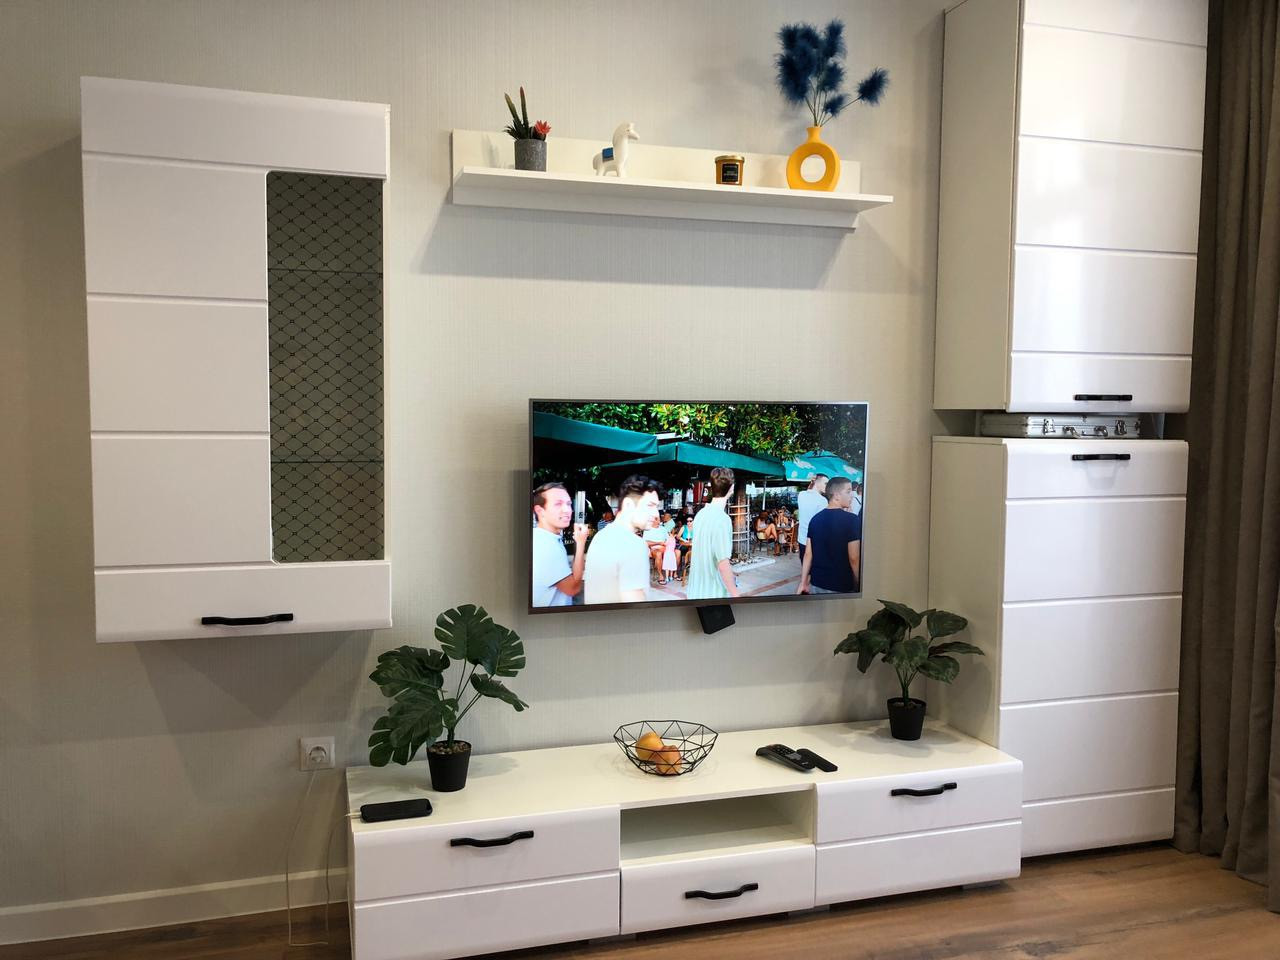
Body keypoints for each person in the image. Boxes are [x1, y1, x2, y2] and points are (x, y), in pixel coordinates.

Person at [583, 475, 663, 604]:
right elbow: (635, 607)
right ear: (628, 504)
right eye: (650, 505)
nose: (656, 514)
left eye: (656, 507)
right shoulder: (634, 544)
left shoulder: (601, 536)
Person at [796, 476, 862, 595]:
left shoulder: (815, 519)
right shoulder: (852, 520)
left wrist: (803, 582)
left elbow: (808, 554)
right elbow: (854, 558)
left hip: (817, 583)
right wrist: (859, 582)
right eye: (848, 492)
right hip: (841, 585)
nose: (851, 496)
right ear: (836, 495)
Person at [530, 482, 590, 607]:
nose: (567, 510)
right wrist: (580, 543)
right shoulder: (545, 545)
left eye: (569, 504)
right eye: (558, 504)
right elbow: (573, 588)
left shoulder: (546, 538)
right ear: (540, 511)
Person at [686, 467, 740, 600]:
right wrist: (736, 594)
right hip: (713, 595)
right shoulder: (723, 520)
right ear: (731, 488)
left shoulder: (701, 514)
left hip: (694, 592)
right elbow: (723, 564)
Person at [796, 473, 829, 564]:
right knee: (815, 568)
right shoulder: (823, 501)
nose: (827, 486)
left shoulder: (801, 495)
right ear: (817, 482)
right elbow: (822, 524)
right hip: (815, 541)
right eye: (825, 483)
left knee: (805, 566)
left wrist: (812, 483)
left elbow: (808, 491)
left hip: (802, 539)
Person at [643, 509, 674, 582]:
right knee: (658, 554)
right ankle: (660, 575)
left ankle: (673, 574)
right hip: (654, 549)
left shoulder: (663, 529)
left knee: (677, 552)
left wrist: (670, 539)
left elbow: (668, 539)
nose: (659, 522)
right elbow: (645, 542)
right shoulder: (647, 529)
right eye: (657, 520)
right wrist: (659, 543)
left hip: (665, 548)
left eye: (659, 519)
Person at [676, 514, 694, 580]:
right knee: (681, 553)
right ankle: (680, 573)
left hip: (692, 544)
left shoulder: (696, 527)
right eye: (687, 521)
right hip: (684, 543)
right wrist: (684, 540)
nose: (688, 522)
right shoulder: (684, 527)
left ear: (693, 521)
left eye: (690, 521)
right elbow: (678, 536)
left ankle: (691, 568)